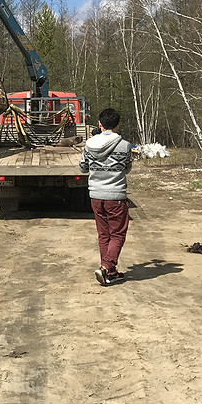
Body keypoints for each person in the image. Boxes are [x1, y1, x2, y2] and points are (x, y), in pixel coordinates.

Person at [79, 107, 133, 287]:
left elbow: (83, 167)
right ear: (117, 125)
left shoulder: (89, 144)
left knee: (104, 235)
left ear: (100, 124)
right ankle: (106, 267)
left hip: (95, 194)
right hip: (115, 194)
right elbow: (127, 169)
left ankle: (110, 271)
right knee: (118, 234)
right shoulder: (124, 145)